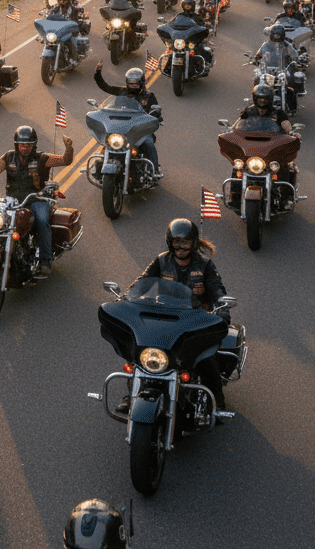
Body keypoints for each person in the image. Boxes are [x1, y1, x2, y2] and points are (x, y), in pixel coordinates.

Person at [128, 218, 230, 411]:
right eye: (177, 242)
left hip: (195, 322)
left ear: (193, 243)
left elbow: (217, 290)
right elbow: (141, 282)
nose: (181, 247)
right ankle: (131, 395)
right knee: (139, 354)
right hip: (164, 320)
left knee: (206, 359)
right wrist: (126, 298)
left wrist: (222, 308)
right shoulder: (161, 260)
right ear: (170, 242)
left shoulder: (205, 265)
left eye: (185, 242)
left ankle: (217, 403)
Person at [0, 125, 74, 276]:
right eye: (22, 144)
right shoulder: (8, 157)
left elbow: (65, 160)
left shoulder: (41, 158)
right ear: (16, 144)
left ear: (34, 144)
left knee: (42, 221)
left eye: (28, 144)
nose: (25, 148)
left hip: (36, 199)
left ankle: (45, 259)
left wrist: (69, 148)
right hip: (12, 201)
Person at [93, 63, 162, 179]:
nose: (133, 86)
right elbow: (105, 87)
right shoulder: (122, 92)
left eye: (136, 84)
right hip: (121, 127)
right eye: (131, 83)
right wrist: (98, 73)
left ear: (141, 83)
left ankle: (154, 170)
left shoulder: (149, 96)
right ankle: (100, 166)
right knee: (107, 142)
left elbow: (155, 110)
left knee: (149, 143)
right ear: (127, 82)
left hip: (140, 130)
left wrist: (156, 115)